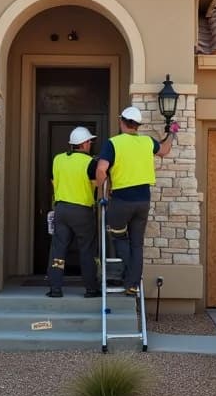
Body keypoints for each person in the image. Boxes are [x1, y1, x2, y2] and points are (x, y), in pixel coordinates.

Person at [94, 106, 174, 297]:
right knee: (137, 244)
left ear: (122, 122)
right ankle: (133, 284)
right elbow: (164, 150)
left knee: (119, 237)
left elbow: (101, 169)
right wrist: (172, 133)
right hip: (143, 200)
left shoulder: (113, 143)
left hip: (122, 200)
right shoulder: (147, 142)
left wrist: (101, 192)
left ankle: (130, 277)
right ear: (138, 125)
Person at [47, 126, 102, 299]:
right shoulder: (90, 163)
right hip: (82, 211)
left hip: (61, 209)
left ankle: (55, 289)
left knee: (58, 249)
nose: (91, 144)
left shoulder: (58, 159)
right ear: (84, 144)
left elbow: (53, 181)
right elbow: (98, 183)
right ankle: (91, 289)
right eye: (90, 142)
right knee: (86, 250)